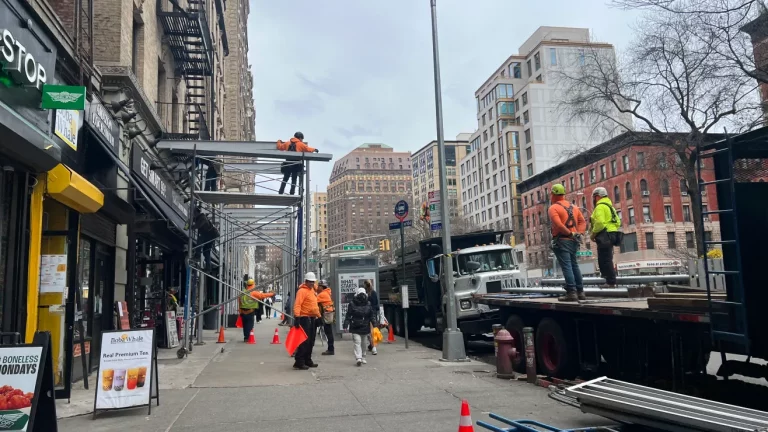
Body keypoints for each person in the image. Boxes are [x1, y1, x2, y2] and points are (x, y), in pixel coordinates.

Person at [547, 184, 587, 302]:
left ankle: (571, 292)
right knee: (574, 265)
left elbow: (558, 225)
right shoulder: (574, 207)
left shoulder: (553, 208)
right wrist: (578, 233)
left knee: (567, 266)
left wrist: (569, 234)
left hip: (563, 240)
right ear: (563, 194)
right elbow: (582, 221)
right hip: (573, 241)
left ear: (553, 194)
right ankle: (580, 292)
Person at [590, 187, 621, 288]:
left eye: (594, 197)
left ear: (597, 196)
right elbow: (618, 222)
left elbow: (599, 223)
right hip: (613, 234)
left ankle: (610, 282)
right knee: (608, 258)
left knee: (605, 259)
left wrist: (593, 234)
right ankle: (609, 280)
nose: (593, 200)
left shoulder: (599, 207)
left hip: (604, 235)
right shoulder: (610, 207)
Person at [343, 287, 378, 366]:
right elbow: (349, 315)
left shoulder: (355, 303)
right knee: (358, 342)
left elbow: (371, 315)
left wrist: (374, 324)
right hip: (360, 326)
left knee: (363, 343)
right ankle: (359, 358)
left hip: (359, 326)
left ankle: (363, 357)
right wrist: (346, 324)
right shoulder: (364, 304)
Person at [293, 272, 321, 370]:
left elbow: (314, 305)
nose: (311, 284)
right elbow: (297, 304)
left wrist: (319, 316)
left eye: (313, 282)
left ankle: (307, 360)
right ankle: (299, 361)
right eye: (310, 282)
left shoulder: (312, 290)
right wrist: (297, 317)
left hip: (312, 318)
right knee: (305, 341)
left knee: (311, 341)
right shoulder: (302, 291)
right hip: (304, 318)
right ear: (306, 281)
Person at [316, 280, 335, 356]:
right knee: (329, 332)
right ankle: (331, 349)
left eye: (319, 286)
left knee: (328, 332)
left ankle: (331, 349)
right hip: (328, 314)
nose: (317, 288)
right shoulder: (327, 293)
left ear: (322, 287)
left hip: (326, 315)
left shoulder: (322, 294)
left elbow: (313, 301)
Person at [364, 280, 379, 355]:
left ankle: (373, 347)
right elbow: (377, 305)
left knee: (369, 332)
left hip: (367, 314)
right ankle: (372, 346)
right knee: (373, 331)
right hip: (373, 314)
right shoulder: (374, 293)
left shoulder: (365, 294)